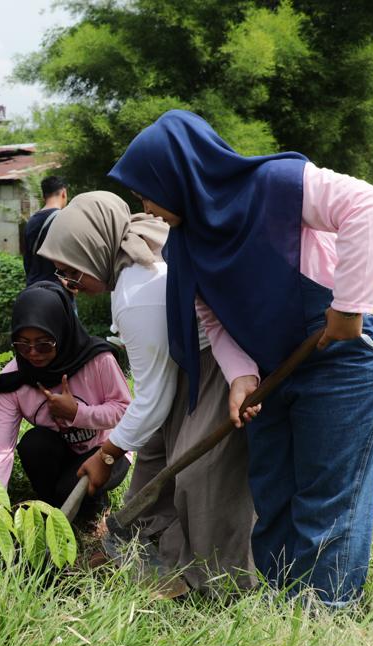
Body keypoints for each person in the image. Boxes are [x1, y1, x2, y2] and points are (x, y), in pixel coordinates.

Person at [108, 110, 373, 607]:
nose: (146, 207)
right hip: (274, 365)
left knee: (325, 502)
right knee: (272, 494)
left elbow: (369, 205)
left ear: (178, 174)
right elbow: (214, 318)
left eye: (145, 192)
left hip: (348, 352)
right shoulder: (188, 245)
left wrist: (348, 307)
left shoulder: (273, 184)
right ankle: (279, 615)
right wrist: (242, 376)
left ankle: (323, 629)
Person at [38, 191, 257, 595]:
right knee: (155, 456)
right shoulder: (136, 260)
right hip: (188, 366)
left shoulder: (135, 294)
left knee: (199, 474)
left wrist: (106, 455)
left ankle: (216, 581)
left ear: (94, 251)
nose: (72, 287)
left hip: (217, 368)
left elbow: (153, 396)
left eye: (72, 273)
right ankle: (142, 542)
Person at [0, 281, 131, 522]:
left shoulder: (97, 361)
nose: (33, 353)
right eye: (23, 344)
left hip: (106, 450)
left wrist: (77, 412)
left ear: (62, 333)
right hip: (61, 452)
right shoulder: (12, 380)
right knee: (33, 443)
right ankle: (52, 505)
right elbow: (0, 449)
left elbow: (125, 411)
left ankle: (94, 508)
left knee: (69, 492)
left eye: (44, 344)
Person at [23, 176, 68, 285]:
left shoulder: (30, 222)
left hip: (34, 286)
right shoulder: (64, 219)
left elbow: (27, 262)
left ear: (44, 197)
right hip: (58, 288)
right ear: (63, 193)